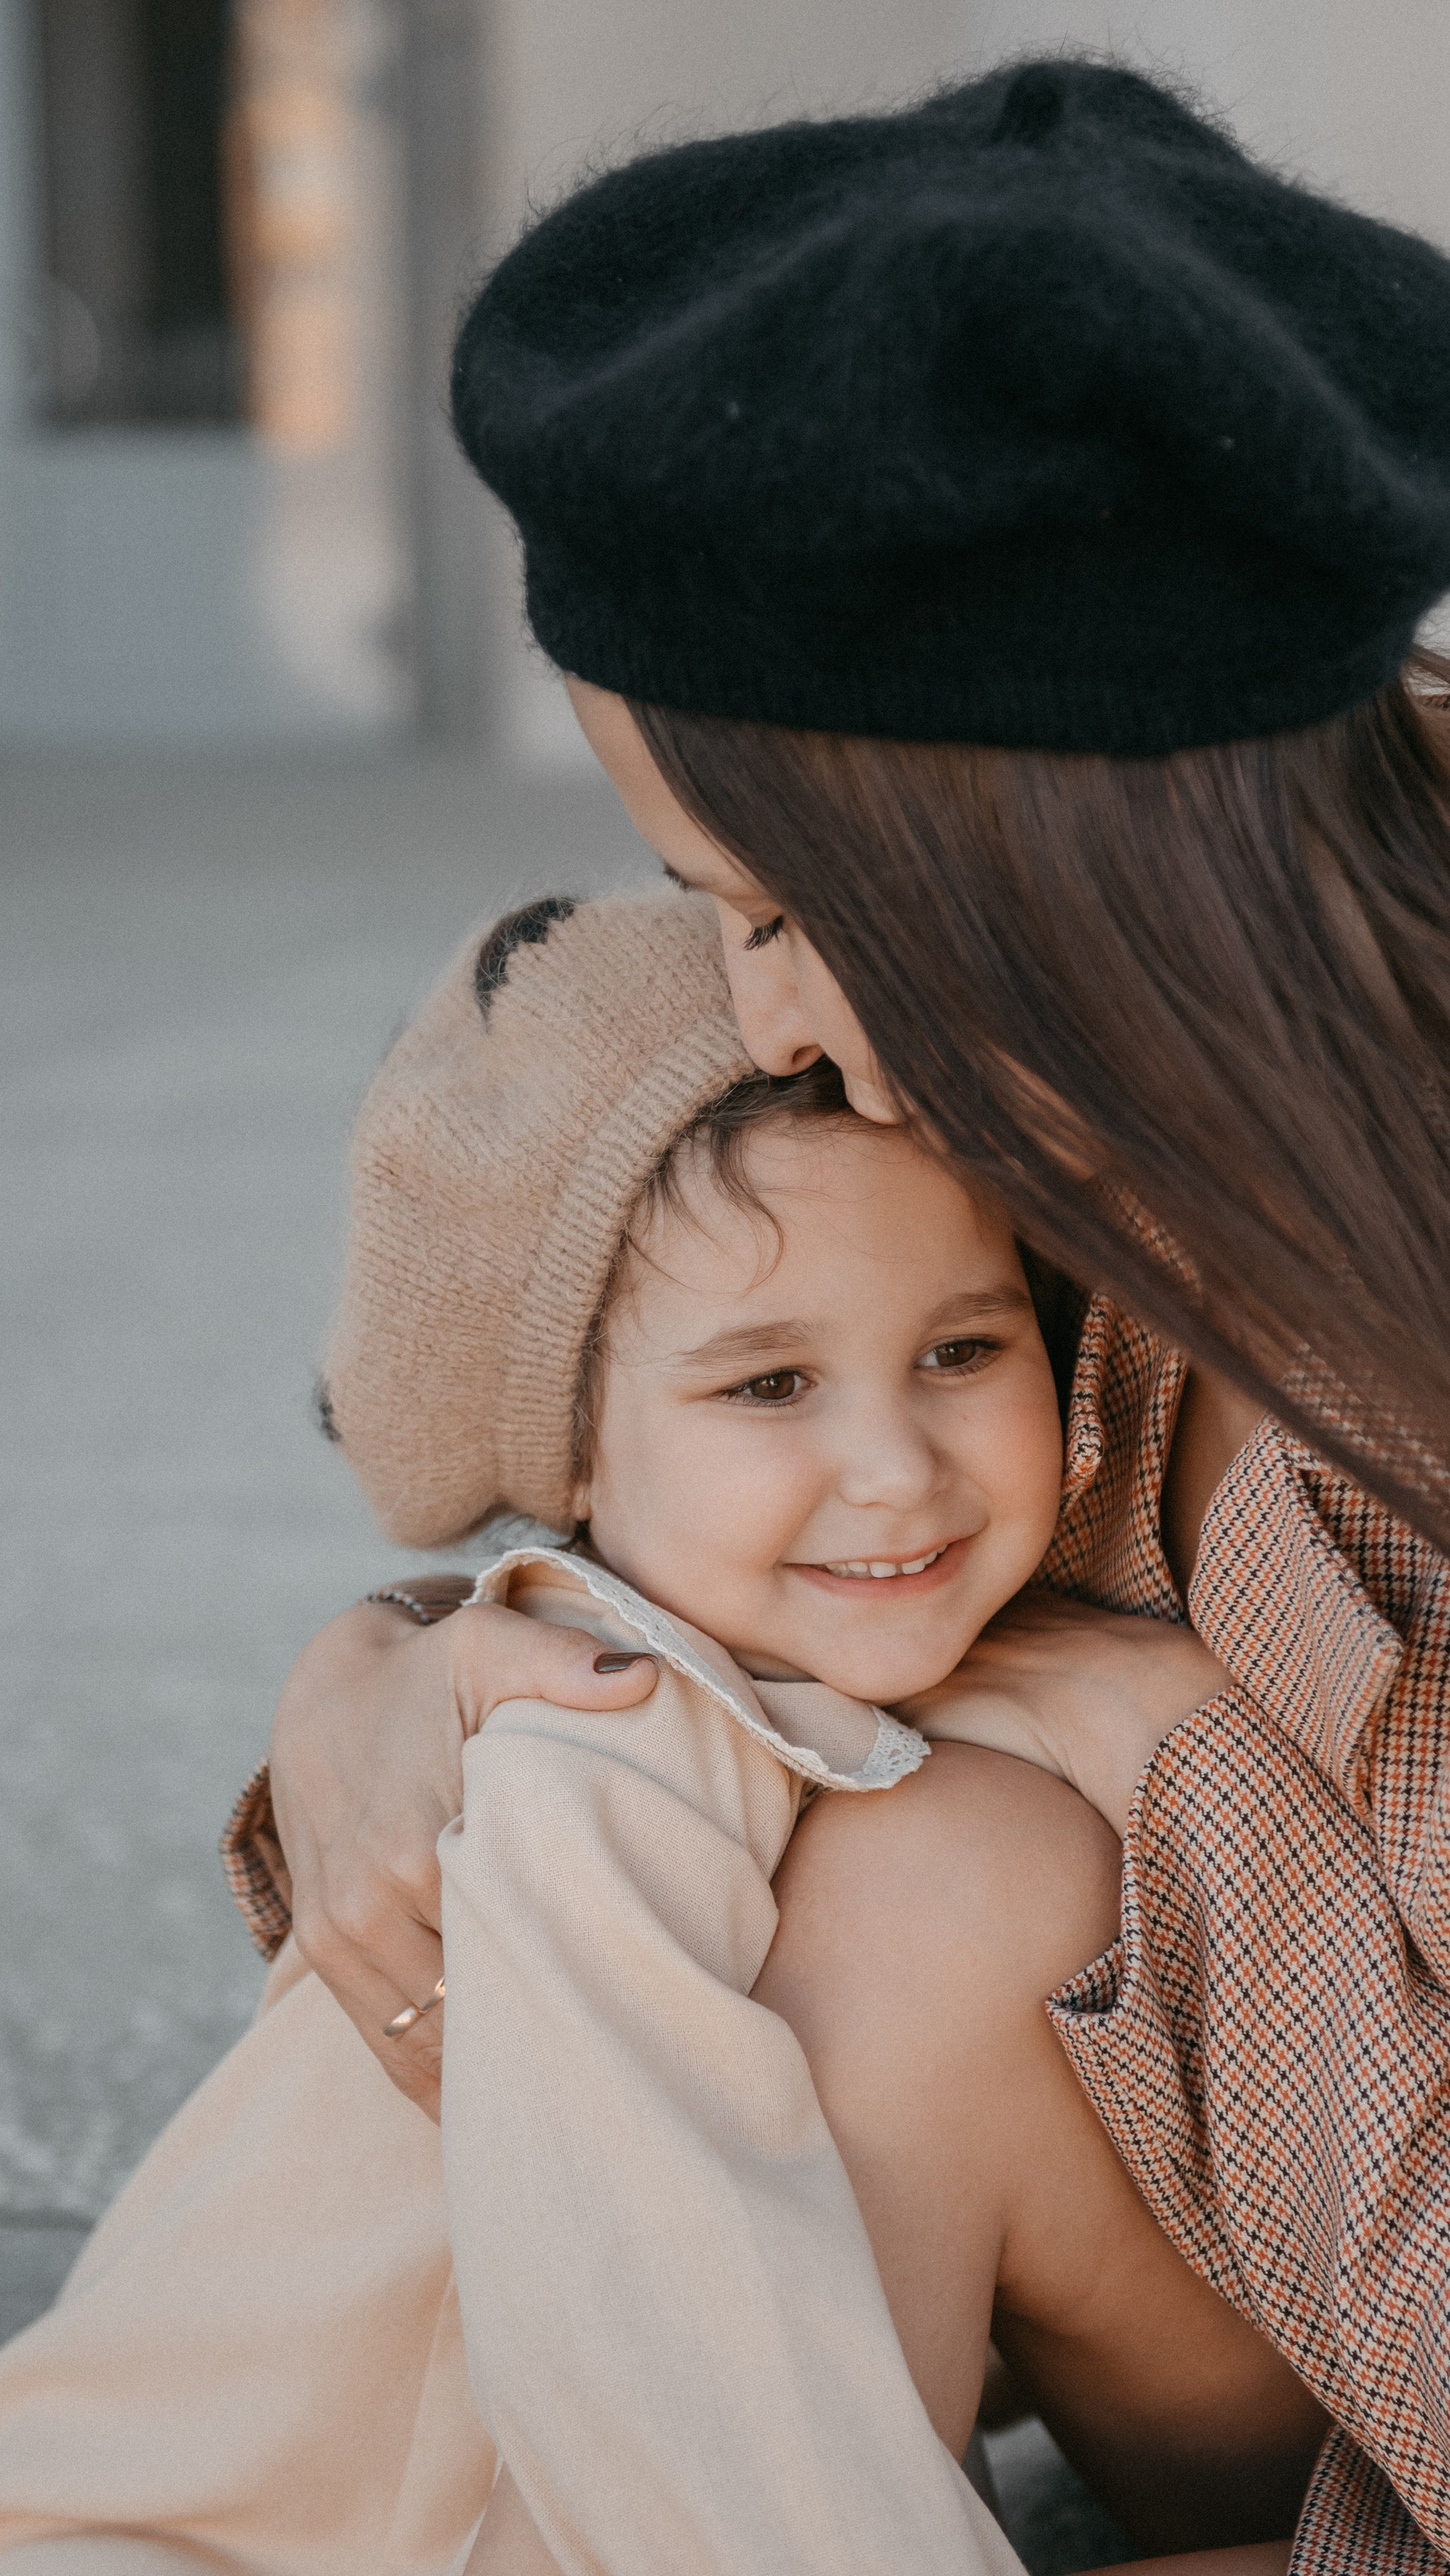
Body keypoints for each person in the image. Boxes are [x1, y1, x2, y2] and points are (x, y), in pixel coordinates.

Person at [206, 54, 1450, 2576]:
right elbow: (716, 1504)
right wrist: (392, 1673)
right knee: (690, 1810)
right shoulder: (1038, 1157)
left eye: (785, 912)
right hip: (1246, 2290)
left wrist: (1173, 1754)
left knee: (931, 1894)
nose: (771, 1022)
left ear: (1050, 905)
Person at [0, 888, 1154, 2574]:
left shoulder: (814, 1673)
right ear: (580, 1465)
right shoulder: (595, 1735)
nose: (897, 1467)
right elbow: (658, 2337)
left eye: (962, 1350)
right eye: (769, 1386)